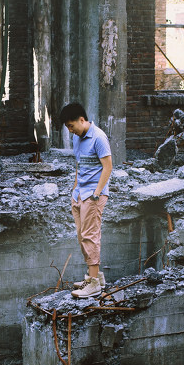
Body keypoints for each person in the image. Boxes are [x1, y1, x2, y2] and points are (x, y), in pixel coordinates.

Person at [60, 103, 112, 298]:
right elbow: (79, 165)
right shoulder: (77, 137)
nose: (70, 130)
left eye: (71, 125)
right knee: (82, 236)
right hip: (80, 193)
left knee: (90, 235)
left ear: (82, 120)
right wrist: (74, 190)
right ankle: (96, 277)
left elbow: (108, 167)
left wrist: (97, 194)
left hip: (93, 194)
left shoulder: (99, 138)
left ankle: (92, 285)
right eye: (67, 127)